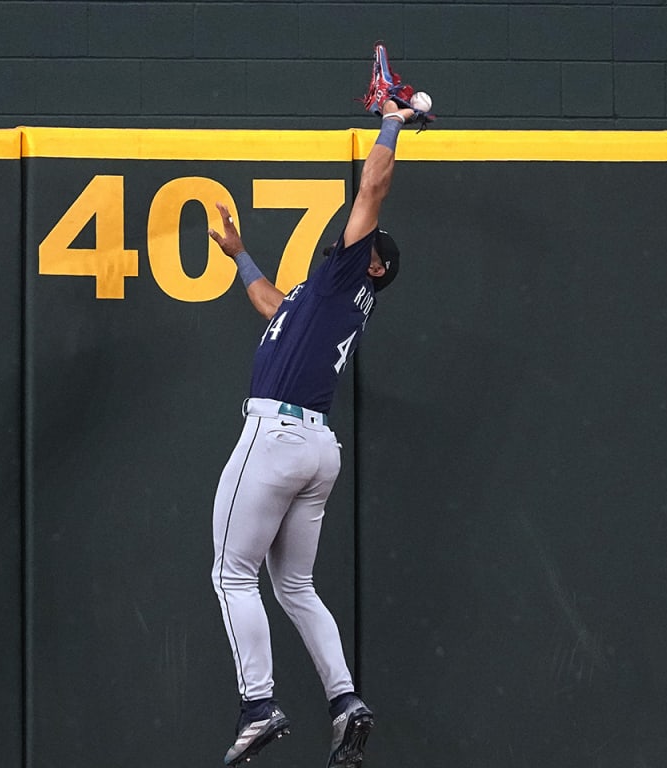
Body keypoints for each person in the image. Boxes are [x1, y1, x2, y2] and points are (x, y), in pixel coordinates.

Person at [205, 43, 426, 768]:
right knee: (293, 583)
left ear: (371, 265)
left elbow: (373, 191)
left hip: (274, 438)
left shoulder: (341, 277)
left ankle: (259, 705)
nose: (356, 238)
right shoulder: (324, 300)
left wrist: (391, 123)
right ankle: (344, 698)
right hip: (317, 449)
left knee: (232, 574)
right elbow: (271, 305)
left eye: (367, 245)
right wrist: (241, 255)